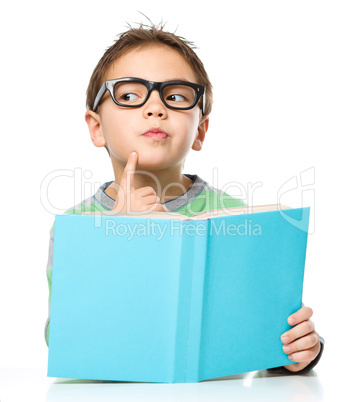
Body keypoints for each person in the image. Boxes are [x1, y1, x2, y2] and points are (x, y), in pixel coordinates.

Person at [44, 22, 324, 375]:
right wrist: (113, 240)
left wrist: (299, 351)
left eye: (176, 96)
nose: (155, 108)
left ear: (200, 130)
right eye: (129, 95)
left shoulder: (237, 218)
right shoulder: (75, 226)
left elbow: (265, 336)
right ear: (96, 127)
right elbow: (62, 339)